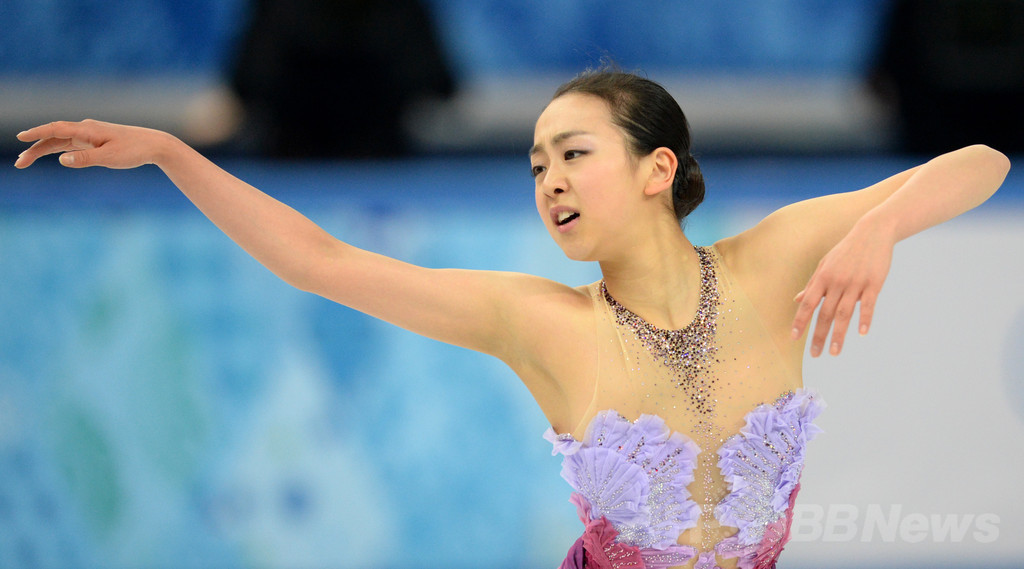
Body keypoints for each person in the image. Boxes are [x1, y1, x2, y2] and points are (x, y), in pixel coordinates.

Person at [13, 70, 1009, 569]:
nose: (549, 179)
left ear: (657, 168)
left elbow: (980, 162)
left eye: (573, 153)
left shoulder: (774, 258)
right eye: (535, 163)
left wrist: (880, 224)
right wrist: (173, 157)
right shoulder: (536, 321)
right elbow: (319, 260)